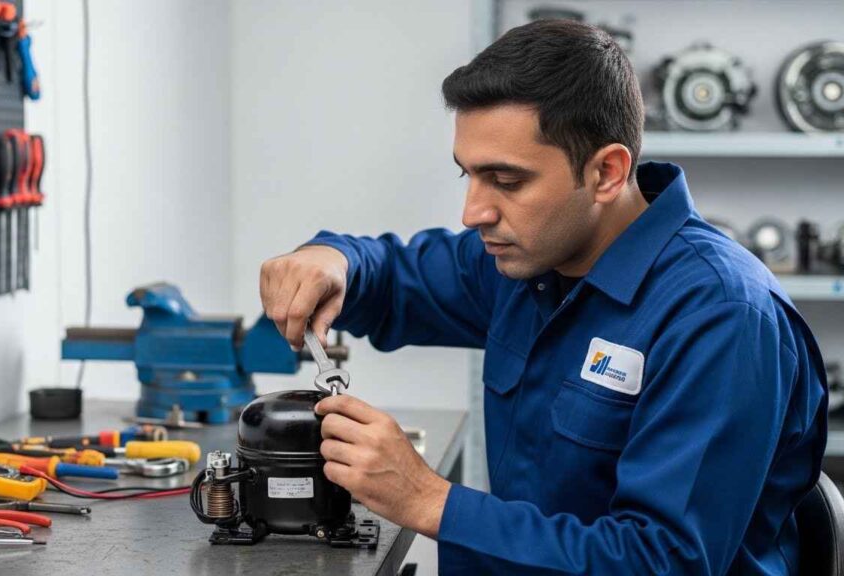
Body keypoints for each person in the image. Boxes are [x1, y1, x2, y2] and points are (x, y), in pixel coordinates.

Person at [258, 18, 827, 575]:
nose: (473, 212)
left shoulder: (721, 317)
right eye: (468, 176)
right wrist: (332, 260)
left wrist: (428, 500)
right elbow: (393, 274)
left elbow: (663, 562)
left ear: (606, 172)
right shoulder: (526, 262)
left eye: (506, 182)